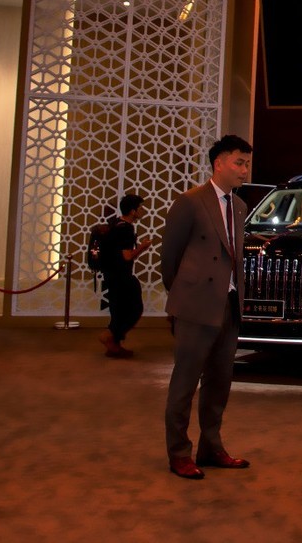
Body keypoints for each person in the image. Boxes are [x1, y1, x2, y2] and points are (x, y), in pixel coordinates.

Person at [161, 134, 253, 480]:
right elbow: (169, 258)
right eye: (239, 163)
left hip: (228, 305)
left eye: (247, 164)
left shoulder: (239, 206)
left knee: (219, 382)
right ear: (219, 163)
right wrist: (185, 297)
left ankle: (211, 447)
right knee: (185, 383)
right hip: (196, 306)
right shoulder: (190, 202)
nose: (244, 170)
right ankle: (179, 453)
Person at [98, 193, 153, 358]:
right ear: (132, 211)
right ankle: (110, 335)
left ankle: (114, 345)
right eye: (140, 207)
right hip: (121, 276)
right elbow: (127, 256)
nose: (143, 210)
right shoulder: (126, 229)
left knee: (118, 309)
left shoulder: (116, 224)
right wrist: (142, 247)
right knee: (134, 309)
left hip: (111, 275)